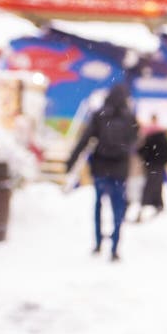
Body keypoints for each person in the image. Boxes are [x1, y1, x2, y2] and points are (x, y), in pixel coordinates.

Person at [66, 84, 138, 262]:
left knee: (99, 205)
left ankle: (98, 243)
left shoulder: (99, 115)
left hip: (100, 168)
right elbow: (134, 143)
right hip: (120, 170)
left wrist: (71, 161)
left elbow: (85, 139)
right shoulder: (130, 118)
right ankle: (114, 247)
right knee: (118, 208)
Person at [136, 114, 167, 222]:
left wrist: (146, 159)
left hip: (151, 164)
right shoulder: (162, 135)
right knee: (157, 185)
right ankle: (158, 205)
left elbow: (141, 150)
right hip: (159, 164)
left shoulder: (148, 134)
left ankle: (144, 206)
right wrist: (162, 161)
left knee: (149, 185)